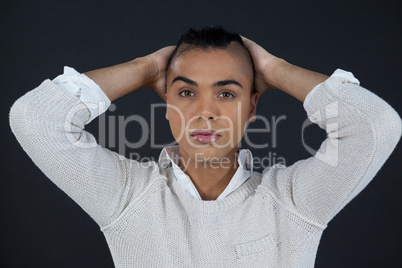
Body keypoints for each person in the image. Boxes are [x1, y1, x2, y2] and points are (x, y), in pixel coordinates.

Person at [9, 26, 401, 267]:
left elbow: (375, 127)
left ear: (252, 107)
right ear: (167, 104)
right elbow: (36, 118)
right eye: (186, 92)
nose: (205, 112)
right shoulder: (127, 196)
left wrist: (273, 69)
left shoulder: (293, 201)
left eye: (227, 94)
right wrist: (146, 67)